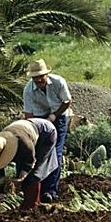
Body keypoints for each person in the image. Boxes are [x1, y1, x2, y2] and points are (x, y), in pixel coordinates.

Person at [23, 59, 72, 203]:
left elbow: (67, 101)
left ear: (46, 74)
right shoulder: (28, 91)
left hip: (58, 117)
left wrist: (54, 115)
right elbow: (29, 115)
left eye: (40, 76)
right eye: (35, 77)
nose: (38, 79)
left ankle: (50, 191)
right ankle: (37, 189)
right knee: (40, 155)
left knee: (55, 154)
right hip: (39, 121)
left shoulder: (58, 82)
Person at [0, 118, 58, 211]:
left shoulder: (23, 142)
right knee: (21, 171)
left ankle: (32, 206)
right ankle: (30, 202)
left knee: (34, 173)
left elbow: (31, 161)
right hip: (25, 131)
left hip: (46, 133)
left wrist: (22, 177)